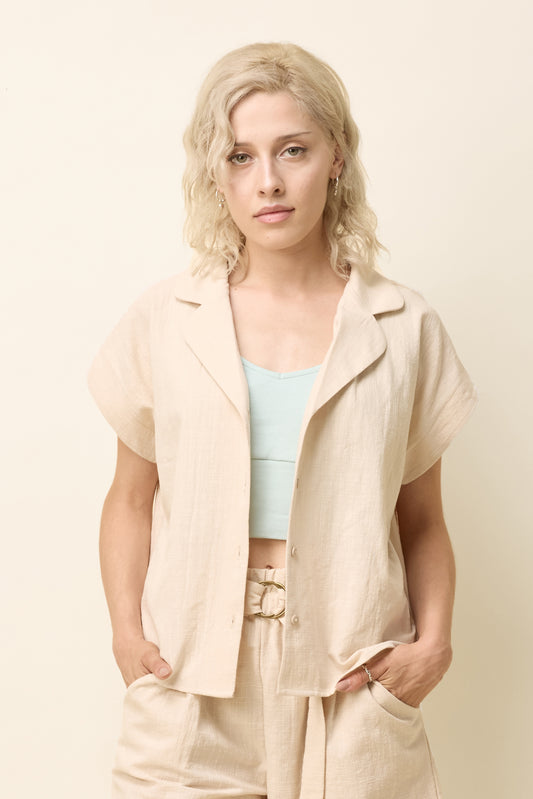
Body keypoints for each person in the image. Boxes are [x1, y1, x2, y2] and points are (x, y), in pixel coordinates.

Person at [88, 42, 477, 799]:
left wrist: (432, 645)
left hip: (351, 668)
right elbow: (130, 497)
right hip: (192, 671)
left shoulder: (404, 326)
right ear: (216, 173)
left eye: (292, 150)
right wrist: (128, 636)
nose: (267, 180)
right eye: (240, 156)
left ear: (336, 157)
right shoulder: (166, 320)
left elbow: (423, 518)